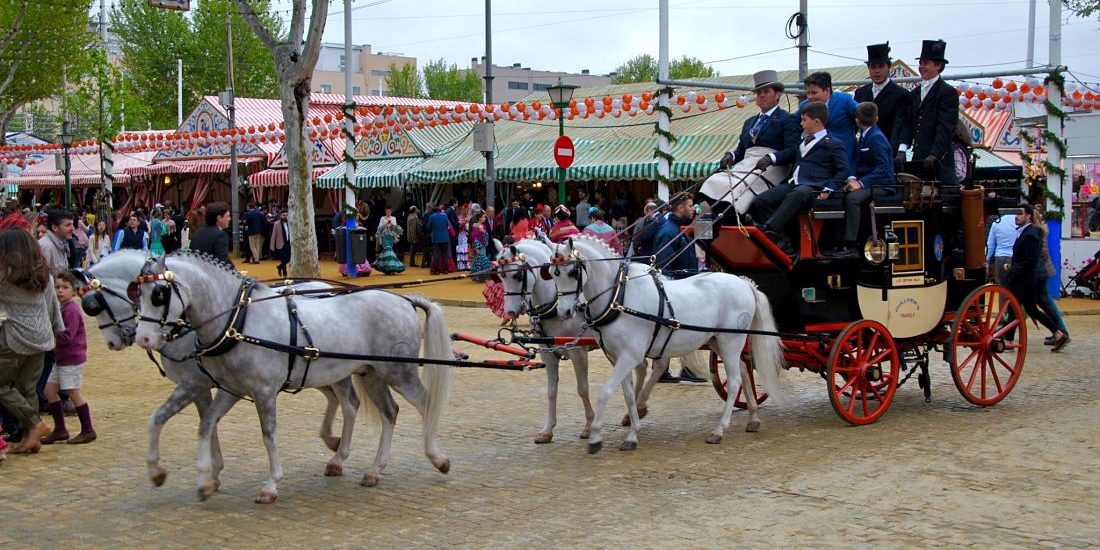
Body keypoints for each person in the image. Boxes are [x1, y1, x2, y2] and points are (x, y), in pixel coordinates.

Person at [698, 69, 801, 224]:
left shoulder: (787, 119)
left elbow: (793, 150)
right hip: (746, 164)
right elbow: (741, 150)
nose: (761, 95)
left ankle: (730, 221)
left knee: (735, 187)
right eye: (759, 92)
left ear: (778, 94)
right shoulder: (749, 122)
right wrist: (731, 156)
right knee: (708, 182)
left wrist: (771, 158)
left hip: (771, 167)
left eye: (766, 91)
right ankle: (707, 221)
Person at [752, 102, 850, 257]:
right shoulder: (802, 143)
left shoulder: (833, 143)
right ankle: (782, 241)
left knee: (798, 194)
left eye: (804, 120)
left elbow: (843, 169)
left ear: (817, 122)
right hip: (795, 183)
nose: (801, 123)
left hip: (815, 186)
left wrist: (829, 188)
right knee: (763, 199)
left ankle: (770, 228)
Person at [0, 228, 65, 454]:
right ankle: (32, 439)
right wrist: (57, 329)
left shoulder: (4, 275)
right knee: (27, 387)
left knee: (2, 386)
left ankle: (35, 425)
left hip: (16, 338)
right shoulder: (43, 273)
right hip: (42, 336)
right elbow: (52, 305)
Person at [828, 102, 897, 258]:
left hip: (882, 184)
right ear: (876, 118)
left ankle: (851, 243)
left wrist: (861, 183)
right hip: (867, 180)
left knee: (852, 199)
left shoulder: (876, 138)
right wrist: (851, 178)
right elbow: (857, 162)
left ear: (857, 120)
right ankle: (836, 240)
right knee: (839, 193)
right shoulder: (865, 136)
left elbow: (884, 169)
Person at [41, 272, 94, 445]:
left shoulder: (71, 309)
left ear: (74, 291)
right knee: (49, 390)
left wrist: (50, 340)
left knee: (73, 391)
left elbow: (68, 335)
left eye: (65, 288)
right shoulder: (61, 308)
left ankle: (88, 429)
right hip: (61, 358)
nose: (60, 291)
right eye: (57, 287)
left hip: (71, 358)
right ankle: (60, 429)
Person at [1006, 204, 1069, 351]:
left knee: (1014, 308)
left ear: (1028, 216)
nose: (1017, 216)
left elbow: (1030, 259)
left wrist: (1014, 269)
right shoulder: (1026, 232)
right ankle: (1058, 333)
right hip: (1025, 277)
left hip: (1025, 279)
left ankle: (1008, 339)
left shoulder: (1030, 234)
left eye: (1020, 213)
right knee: (1030, 309)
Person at [898, 39, 960, 185]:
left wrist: (934, 154)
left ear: (938, 66)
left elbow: (946, 127)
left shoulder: (947, 92)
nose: (921, 67)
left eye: (926, 63)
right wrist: (902, 148)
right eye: (920, 63)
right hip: (919, 157)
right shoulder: (914, 93)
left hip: (939, 160)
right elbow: (908, 123)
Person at [854, 43, 911, 153]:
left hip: (887, 149)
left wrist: (897, 150)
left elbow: (900, 125)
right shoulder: (861, 92)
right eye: (873, 67)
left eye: (881, 66)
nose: (877, 71)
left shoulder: (901, 94)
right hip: (863, 151)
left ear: (889, 66)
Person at [799, 72, 858, 177]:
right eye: (808, 93)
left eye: (814, 93)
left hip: (844, 159)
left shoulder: (845, 101)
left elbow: (862, 118)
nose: (810, 97)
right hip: (817, 163)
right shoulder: (804, 106)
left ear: (827, 90)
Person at [189, 202, 234, 268]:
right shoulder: (220, 235)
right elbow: (223, 262)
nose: (229, 219)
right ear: (219, 218)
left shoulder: (198, 233)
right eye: (227, 216)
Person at [986, 209, 1018, 288]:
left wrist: (986, 261)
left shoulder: (996, 223)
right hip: (1015, 257)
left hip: (1000, 257)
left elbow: (990, 245)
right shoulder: (1019, 222)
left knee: (1001, 288)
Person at [38, 208, 73, 276]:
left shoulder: (62, 243)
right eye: (68, 225)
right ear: (54, 227)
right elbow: (42, 278)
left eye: (72, 224)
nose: (72, 228)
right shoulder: (45, 246)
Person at [374, 207, 406, 275]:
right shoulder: (382, 218)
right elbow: (379, 229)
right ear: (385, 212)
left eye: (389, 211)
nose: (388, 213)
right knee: (388, 249)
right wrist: (385, 224)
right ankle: (390, 267)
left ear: (391, 212)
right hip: (384, 236)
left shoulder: (393, 218)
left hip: (391, 237)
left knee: (389, 250)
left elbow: (396, 228)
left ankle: (387, 268)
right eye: (387, 211)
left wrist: (392, 225)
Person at [427, 205, 454, 275]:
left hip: (436, 238)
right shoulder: (444, 215)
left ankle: (436, 270)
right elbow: (447, 225)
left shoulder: (432, 217)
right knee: (445, 254)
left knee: (436, 254)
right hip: (445, 238)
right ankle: (445, 270)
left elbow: (428, 227)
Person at [469, 211, 493, 282]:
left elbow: (486, 236)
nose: (485, 218)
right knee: (483, 261)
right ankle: (482, 277)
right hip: (479, 247)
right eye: (484, 217)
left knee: (479, 261)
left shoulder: (484, 226)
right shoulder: (475, 225)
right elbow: (474, 237)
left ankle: (480, 277)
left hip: (483, 246)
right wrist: (476, 248)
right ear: (479, 218)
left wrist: (484, 232)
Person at [269, 210, 291, 278]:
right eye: (283, 215)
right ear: (280, 216)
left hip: (288, 243)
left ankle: (279, 267)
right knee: (283, 258)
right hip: (280, 244)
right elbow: (273, 236)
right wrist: (272, 246)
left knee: (288, 259)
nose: (285, 216)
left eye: (286, 215)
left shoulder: (290, 223)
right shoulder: (276, 224)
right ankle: (285, 273)